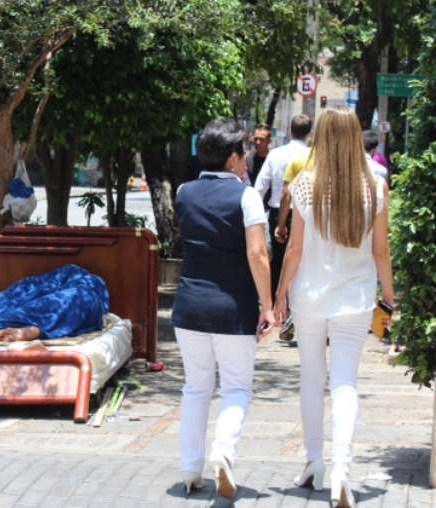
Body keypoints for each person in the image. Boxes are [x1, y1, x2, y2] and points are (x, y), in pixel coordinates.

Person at [274, 107, 394, 508]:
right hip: (355, 299)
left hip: (310, 297)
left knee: (312, 378)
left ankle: (314, 463)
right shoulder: (376, 187)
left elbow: (293, 249)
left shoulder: (306, 185)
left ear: (321, 138)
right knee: (345, 382)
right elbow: (381, 252)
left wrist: (280, 293)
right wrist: (391, 299)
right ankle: (342, 469)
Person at [172, 119, 275, 501]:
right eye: (244, 152)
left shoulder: (184, 192)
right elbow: (258, 253)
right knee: (235, 387)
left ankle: (189, 469)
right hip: (233, 308)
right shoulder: (246, 196)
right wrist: (268, 306)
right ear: (233, 158)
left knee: (195, 388)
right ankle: (224, 453)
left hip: (188, 308)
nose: (246, 158)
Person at [255, 114, 312, 298]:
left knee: (278, 260)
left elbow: (260, 188)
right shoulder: (313, 156)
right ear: (309, 133)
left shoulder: (275, 154)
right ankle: (296, 299)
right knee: (302, 259)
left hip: (278, 212)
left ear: (290, 131)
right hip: (306, 212)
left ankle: (274, 300)